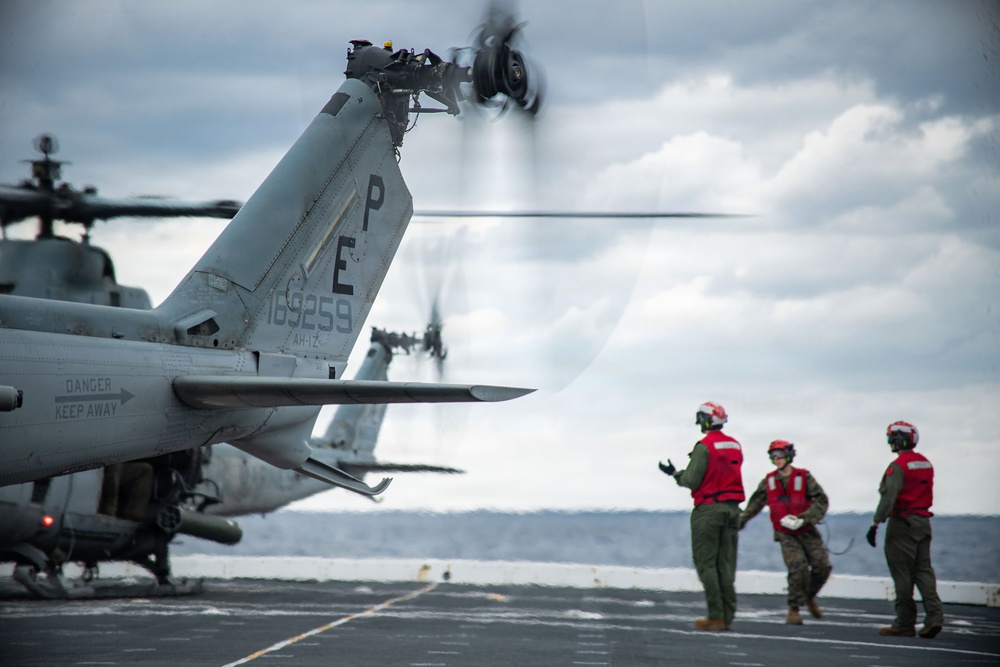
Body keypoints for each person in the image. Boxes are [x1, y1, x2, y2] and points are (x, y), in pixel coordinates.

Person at [659, 401, 744, 631]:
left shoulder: (704, 446)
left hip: (709, 511)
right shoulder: (735, 445)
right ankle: (727, 615)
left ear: (707, 420)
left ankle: (715, 616)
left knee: (706, 563)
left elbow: (692, 480)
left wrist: (675, 473)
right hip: (733, 510)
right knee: (726, 564)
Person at [740, 440, 832, 625]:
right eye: (773, 456)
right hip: (785, 534)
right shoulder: (769, 482)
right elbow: (755, 505)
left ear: (789, 455)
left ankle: (808, 596)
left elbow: (821, 500)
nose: (776, 459)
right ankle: (794, 609)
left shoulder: (804, 477)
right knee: (797, 566)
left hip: (807, 530)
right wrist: (739, 522)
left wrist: (806, 518)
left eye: (779, 455)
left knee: (822, 567)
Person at [866, 421, 944, 638]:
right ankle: (935, 617)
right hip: (923, 522)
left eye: (892, 438)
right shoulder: (925, 463)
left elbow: (889, 497)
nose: (890, 442)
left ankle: (905, 622)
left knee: (902, 573)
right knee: (924, 570)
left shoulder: (898, 466)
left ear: (899, 440)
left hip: (902, 524)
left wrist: (875, 523)